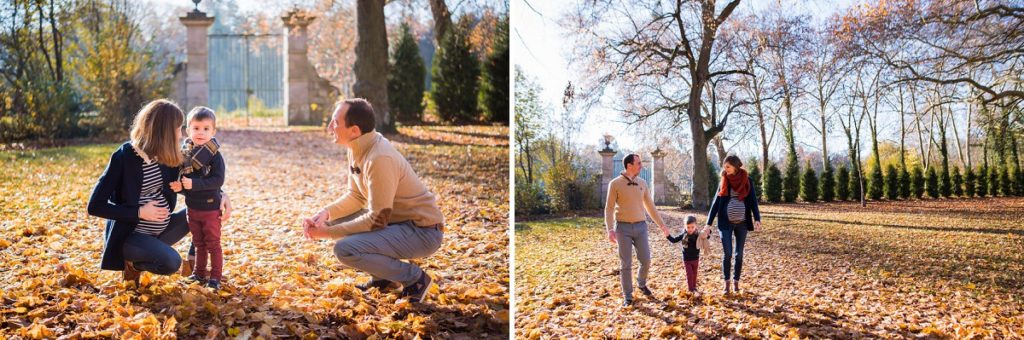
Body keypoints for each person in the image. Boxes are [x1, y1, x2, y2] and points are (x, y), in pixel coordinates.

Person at [303, 98, 445, 303]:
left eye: (335, 122)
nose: (329, 127)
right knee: (335, 221)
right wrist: (325, 214)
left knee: (345, 249)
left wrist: (327, 233)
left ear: (354, 130)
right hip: (398, 224)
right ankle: (384, 279)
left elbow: (378, 219)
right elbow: (357, 196)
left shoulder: (379, 158)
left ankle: (415, 279)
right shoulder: (357, 147)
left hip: (422, 231)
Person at [87, 99, 232, 286]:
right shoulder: (124, 157)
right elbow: (94, 206)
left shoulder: (166, 156)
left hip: (162, 230)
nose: (181, 134)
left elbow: (190, 183)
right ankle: (133, 264)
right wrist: (139, 212)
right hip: (132, 236)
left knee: (198, 212)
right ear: (164, 131)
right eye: (178, 128)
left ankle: (196, 266)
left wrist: (221, 195)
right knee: (171, 262)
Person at [171, 107, 227, 289]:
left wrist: (194, 184)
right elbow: (186, 181)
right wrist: (181, 188)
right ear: (188, 130)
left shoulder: (214, 156)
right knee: (198, 244)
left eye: (205, 129)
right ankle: (199, 274)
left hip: (210, 209)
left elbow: (217, 181)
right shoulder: (186, 154)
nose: (200, 133)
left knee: (213, 244)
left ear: (213, 132)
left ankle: (216, 278)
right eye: (196, 128)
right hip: (192, 208)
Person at [604, 153, 670, 306]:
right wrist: (610, 229)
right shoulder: (615, 184)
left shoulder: (643, 183)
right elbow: (609, 208)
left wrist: (662, 225)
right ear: (629, 166)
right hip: (622, 228)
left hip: (641, 226)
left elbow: (650, 207)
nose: (641, 166)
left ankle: (641, 282)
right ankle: (628, 295)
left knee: (645, 260)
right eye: (638, 163)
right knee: (626, 263)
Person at [705, 155, 762, 294]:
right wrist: (708, 224)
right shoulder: (724, 181)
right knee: (728, 253)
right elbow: (716, 203)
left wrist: (757, 219)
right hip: (725, 223)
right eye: (724, 167)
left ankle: (736, 282)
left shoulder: (747, 180)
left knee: (739, 254)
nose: (725, 170)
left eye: (728, 167)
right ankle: (727, 284)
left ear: (736, 166)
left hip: (742, 223)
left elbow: (753, 200)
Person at [666, 215, 711, 293]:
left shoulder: (698, 235)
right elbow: (674, 240)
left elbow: (706, 237)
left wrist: (708, 232)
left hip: (696, 258)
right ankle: (691, 289)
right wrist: (668, 235)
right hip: (687, 259)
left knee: (694, 274)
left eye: (692, 227)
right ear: (685, 226)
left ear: (696, 226)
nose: (690, 229)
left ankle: (694, 287)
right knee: (690, 274)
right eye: (688, 227)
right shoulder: (684, 235)